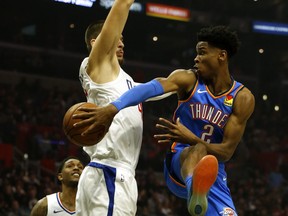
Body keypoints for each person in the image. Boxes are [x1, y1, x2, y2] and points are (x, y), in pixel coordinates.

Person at [73, 25, 255, 215]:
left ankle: (200, 192)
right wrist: (113, 107)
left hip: (212, 171)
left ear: (221, 56)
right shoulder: (189, 79)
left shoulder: (242, 98)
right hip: (179, 163)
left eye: (202, 53)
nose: (196, 58)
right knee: (198, 150)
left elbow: (226, 152)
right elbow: (150, 88)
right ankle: (195, 189)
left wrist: (190, 137)